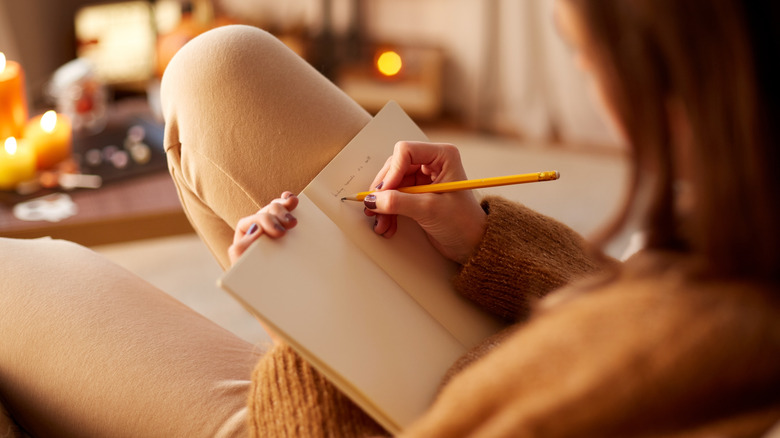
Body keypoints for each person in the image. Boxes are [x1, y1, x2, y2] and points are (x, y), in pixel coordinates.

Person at [1, 0, 778, 437]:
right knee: (220, 67)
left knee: (17, 274)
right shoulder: (738, 244)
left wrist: (306, 325)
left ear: (682, 81)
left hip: (344, 421)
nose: (592, 83)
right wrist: (485, 239)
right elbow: (620, 317)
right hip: (491, 344)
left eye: (582, 54)